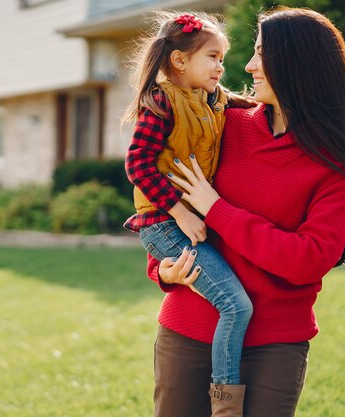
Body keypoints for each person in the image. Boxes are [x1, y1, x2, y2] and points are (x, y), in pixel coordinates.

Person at [145, 7, 345, 417]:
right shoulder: (225, 124)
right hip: (189, 330)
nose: (249, 65)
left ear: (296, 66)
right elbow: (169, 202)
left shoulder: (335, 164)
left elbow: (306, 260)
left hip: (274, 344)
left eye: (261, 54)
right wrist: (161, 270)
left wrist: (217, 209)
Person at [123, 12, 254, 416]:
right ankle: (226, 405)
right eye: (212, 57)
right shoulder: (162, 102)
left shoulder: (212, 99)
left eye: (223, 60)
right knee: (236, 306)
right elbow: (138, 165)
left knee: (232, 305)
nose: (220, 67)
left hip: (184, 221)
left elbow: (249, 105)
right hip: (164, 224)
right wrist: (180, 212)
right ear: (180, 61)